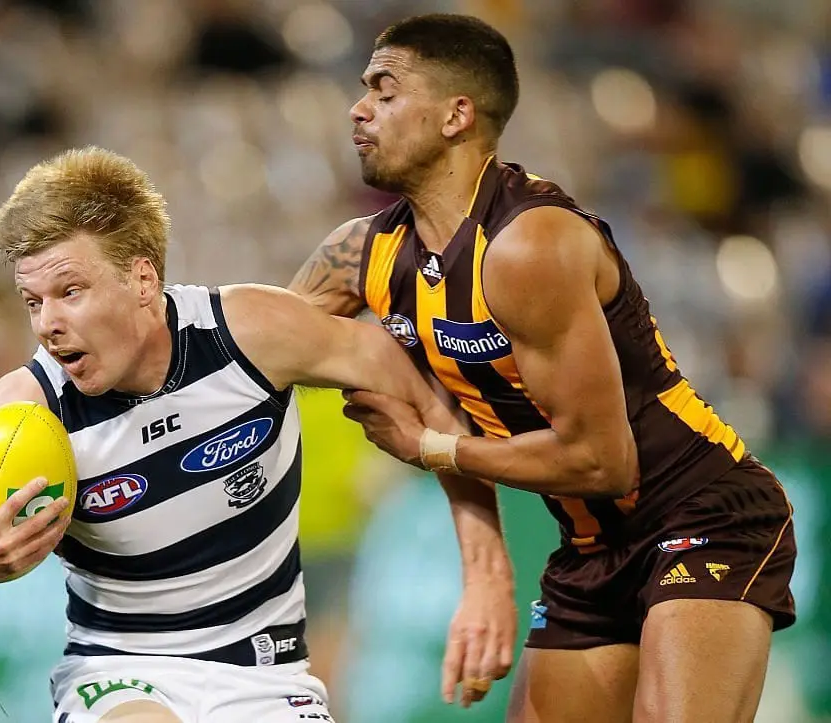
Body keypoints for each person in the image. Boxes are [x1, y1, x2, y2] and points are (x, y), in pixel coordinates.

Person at [289, 13, 796, 723]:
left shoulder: (529, 244)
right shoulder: (359, 254)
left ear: (455, 115)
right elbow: (259, 344)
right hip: (590, 546)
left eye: (385, 88)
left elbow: (601, 461)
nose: (358, 106)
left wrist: (432, 446)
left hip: (700, 512)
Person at [0, 146, 503, 723]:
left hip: (270, 677)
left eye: (71, 292)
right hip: (120, 676)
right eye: (33, 301)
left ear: (142, 280)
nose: (48, 324)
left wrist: (484, 579)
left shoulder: (252, 335)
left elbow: (432, 405)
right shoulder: (26, 410)